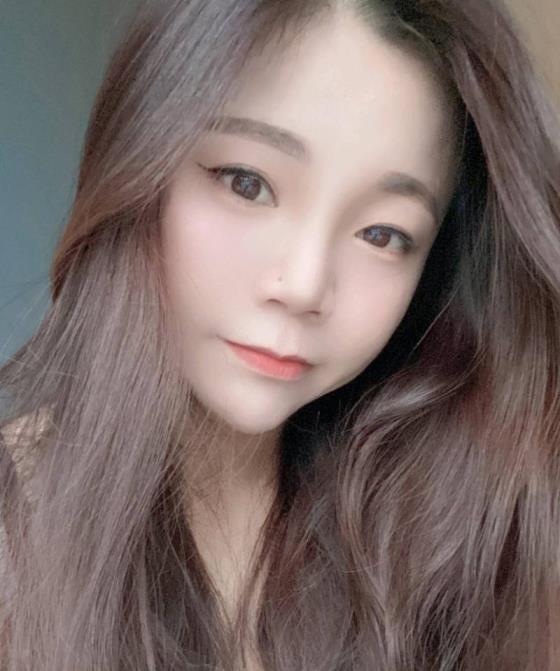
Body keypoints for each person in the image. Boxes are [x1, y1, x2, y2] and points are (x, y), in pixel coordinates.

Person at [1, 0, 559, 669]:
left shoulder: (448, 544)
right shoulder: (16, 543)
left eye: (383, 234)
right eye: (248, 183)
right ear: (140, 169)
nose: (303, 284)